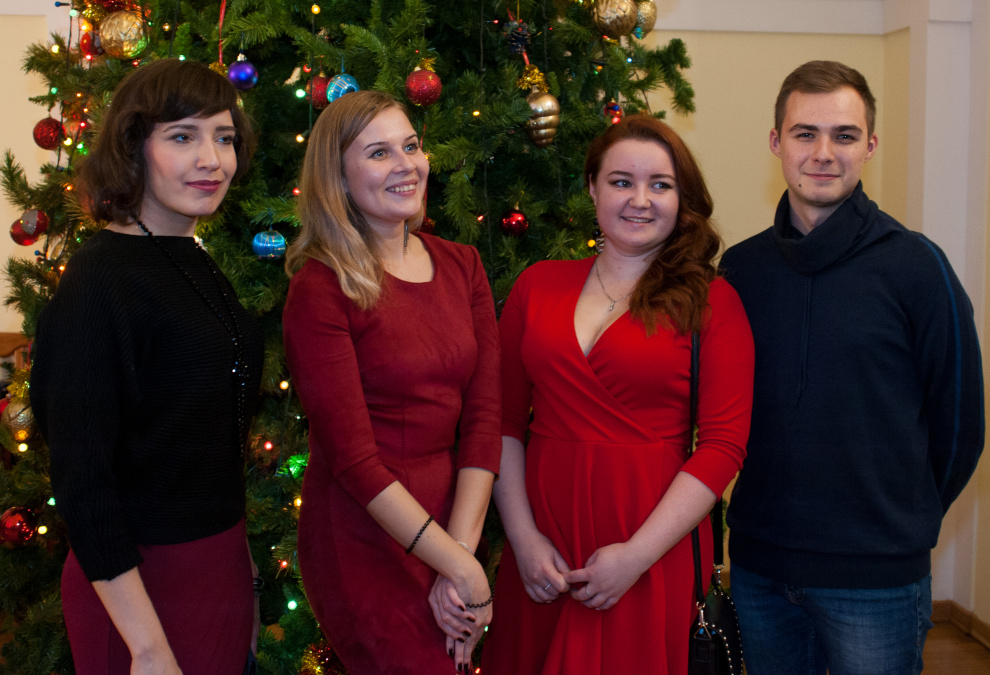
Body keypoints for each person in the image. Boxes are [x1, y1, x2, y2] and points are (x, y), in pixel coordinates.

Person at [721, 60, 985, 675]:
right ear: (776, 142)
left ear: (870, 145)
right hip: (759, 570)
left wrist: (899, 520)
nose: (823, 153)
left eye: (843, 135)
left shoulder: (918, 267)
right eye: (804, 133)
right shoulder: (740, 271)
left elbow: (960, 427)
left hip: (876, 581)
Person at [481, 115, 755, 674]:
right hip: (542, 554)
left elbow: (723, 446)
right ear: (592, 188)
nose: (640, 200)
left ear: (682, 198)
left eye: (660, 185)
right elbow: (502, 423)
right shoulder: (537, 285)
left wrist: (635, 557)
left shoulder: (713, 302)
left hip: (650, 548)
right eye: (621, 181)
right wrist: (523, 539)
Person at [31, 58, 263, 674]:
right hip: (138, 596)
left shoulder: (189, 255)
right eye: (183, 137)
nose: (212, 160)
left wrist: (242, 577)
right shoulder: (99, 281)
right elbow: (83, 483)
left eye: (224, 138)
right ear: (134, 147)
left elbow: (208, 444)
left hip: (215, 573)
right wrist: (148, 647)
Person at [281, 90, 501, 674]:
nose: (407, 165)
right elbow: (354, 460)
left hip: (452, 521)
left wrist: (459, 556)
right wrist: (459, 565)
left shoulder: (463, 265)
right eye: (379, 153)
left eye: (411, 146)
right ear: (337, 178)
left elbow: (485, 420)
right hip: (365, 536)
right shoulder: (320, 286)